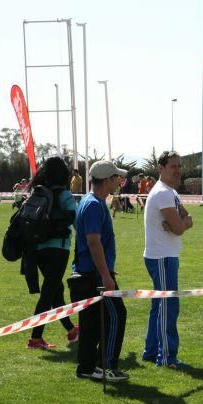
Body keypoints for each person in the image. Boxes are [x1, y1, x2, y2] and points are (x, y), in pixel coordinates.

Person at [69, 160, 129, 382]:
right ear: (106, 180)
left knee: (91, 324)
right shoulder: (94, 204)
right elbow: (94, 242)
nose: (119, 182)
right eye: (116, 178)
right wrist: (105, 274)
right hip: (94, 275)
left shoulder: (90, 201)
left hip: (87, 273)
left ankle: (86, 367)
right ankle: (106, 366)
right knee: (116, 316)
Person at [141, 150, 193, 369]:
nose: (178, 170)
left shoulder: (171, 192)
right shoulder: (163, 193)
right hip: (162, 256)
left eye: (179, 166)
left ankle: (151, 352)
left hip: (165, 255)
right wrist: (180, 223)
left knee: (160, 306)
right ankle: (166, 357)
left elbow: (187, 219)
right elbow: (181, 227)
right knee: (168, 307)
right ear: (160, 168)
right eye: (173, 166)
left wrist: (182, 222)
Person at [25, 156, 80, 350]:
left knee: (56, 291)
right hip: (59, 248)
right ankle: (35, 338)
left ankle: (72, 330)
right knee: (49, 293)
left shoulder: (37, 193)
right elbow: (77, 222)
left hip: (38, 248)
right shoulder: (64, 195)